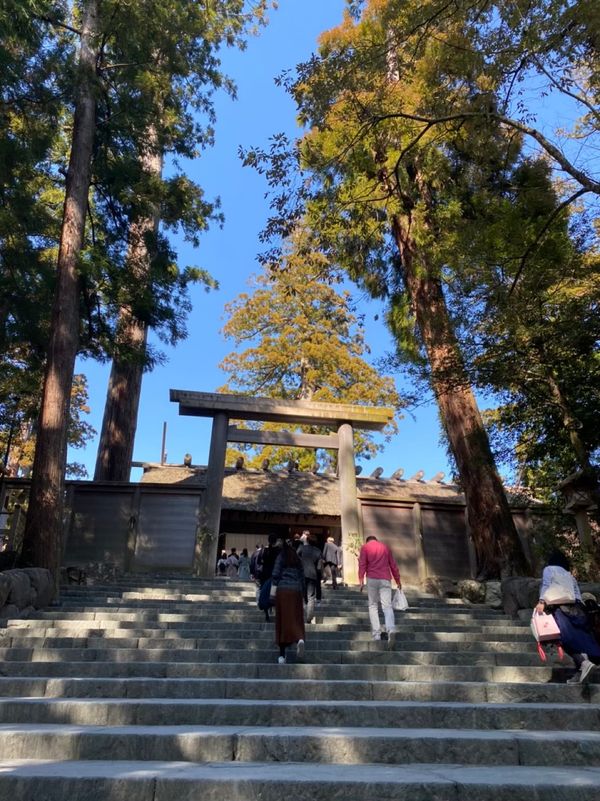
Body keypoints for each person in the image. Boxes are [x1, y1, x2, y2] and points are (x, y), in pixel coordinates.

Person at [534, 549, 600, 684]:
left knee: (564, 639)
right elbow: (577, 594)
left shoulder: (549, 569)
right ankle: (581, 671)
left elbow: (546, 585)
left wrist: (541, 602)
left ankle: (583, 664)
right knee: (581, 639)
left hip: (560, 609)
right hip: (576, 609)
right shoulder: (569, 575)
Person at [358, 535, 402, 643]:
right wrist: (398, 581)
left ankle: (376, 634)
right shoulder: (385, 547)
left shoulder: (365, 547)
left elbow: (362, 564)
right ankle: (391, 629)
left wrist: (360, 580)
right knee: (387, 606)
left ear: (367, 541)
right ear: (376, 540)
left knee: (373, 605)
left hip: (372, 578)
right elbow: (393, 565)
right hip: (385, 578)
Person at [271, 539, 306, 663]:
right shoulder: (297, 558)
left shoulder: (281, 556)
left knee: (282, 621)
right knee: (296, 618)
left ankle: (282, 655)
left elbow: (275, 574)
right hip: (296, 591)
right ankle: (299, 638)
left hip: (283, 590)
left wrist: (272, 592)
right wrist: (304, 594)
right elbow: (302, 577)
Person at [299, 532, 323, 624]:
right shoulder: (318, 551)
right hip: (313, 575)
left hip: (302, 574)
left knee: (303, 595)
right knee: (311, 596)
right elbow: (319, 566)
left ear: (307, 540)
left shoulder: (302, 548)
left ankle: (303, 614)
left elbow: (296, 558)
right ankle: (309, 617)